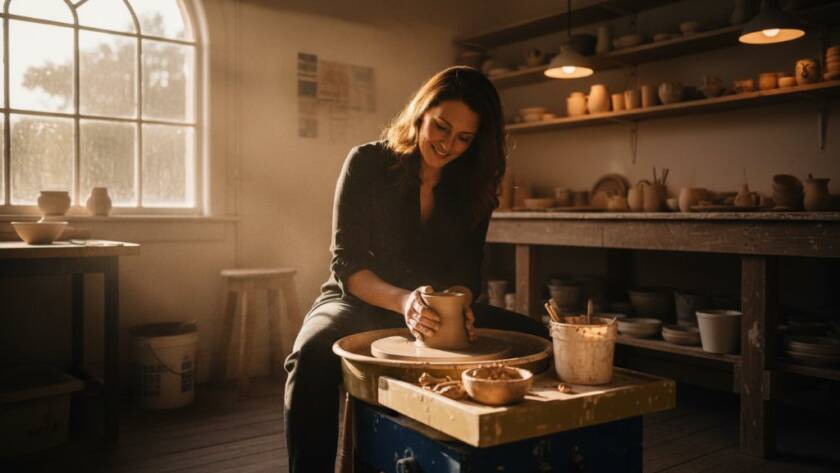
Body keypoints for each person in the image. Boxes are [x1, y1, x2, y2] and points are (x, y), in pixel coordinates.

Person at [283, 65, 547, 472]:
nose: (447, 145)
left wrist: (460, 305)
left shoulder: (473, 184)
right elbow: (347, 263)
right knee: (311, 354)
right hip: (359, 299)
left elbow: (467, 272)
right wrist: (404, 301)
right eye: (441, 128)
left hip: (433, 310)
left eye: (464, 138)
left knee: (538, 340)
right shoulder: (367, 163)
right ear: (421, 112)